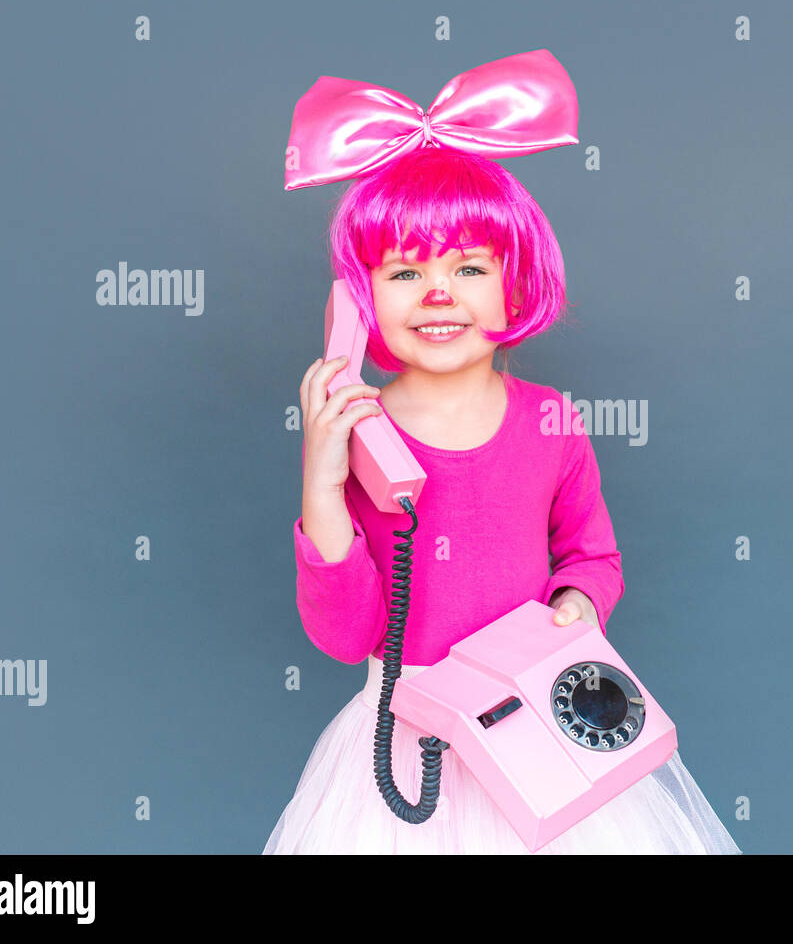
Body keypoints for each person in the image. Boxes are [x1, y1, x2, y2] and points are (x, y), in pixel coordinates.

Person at [263, 49, 741, 854]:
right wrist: (325, 473)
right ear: (359, 300)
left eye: (470, 266)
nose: (439, 292)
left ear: (514, 285)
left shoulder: (550, 420)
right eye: (405, 270)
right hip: (405, 743)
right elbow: (346, 635)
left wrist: (578, 606)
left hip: (537, 723)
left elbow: (593, 554)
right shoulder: (357, 433)